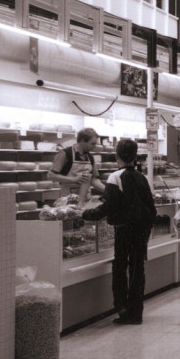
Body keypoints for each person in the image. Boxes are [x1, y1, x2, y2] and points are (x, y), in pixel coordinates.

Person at [81, 139, 156, 325]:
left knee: (120, 267)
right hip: (142, 228)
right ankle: (136, 312)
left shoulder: (115, 177)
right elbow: (149, 205)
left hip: (124, 229)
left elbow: (108, 206)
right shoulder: (142, 177)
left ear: (117, 156)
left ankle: (123, 309)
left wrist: (86, 214)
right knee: (138, 268)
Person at [48, 127, 105, 202]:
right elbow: (51, 175)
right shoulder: (65, 154)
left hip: (86, 199)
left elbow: (94, 180)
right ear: (82, 141)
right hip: (68, 200)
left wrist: (108, 191)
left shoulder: (90, 157)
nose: (94, 146)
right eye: (93, 144)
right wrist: (74, 179)